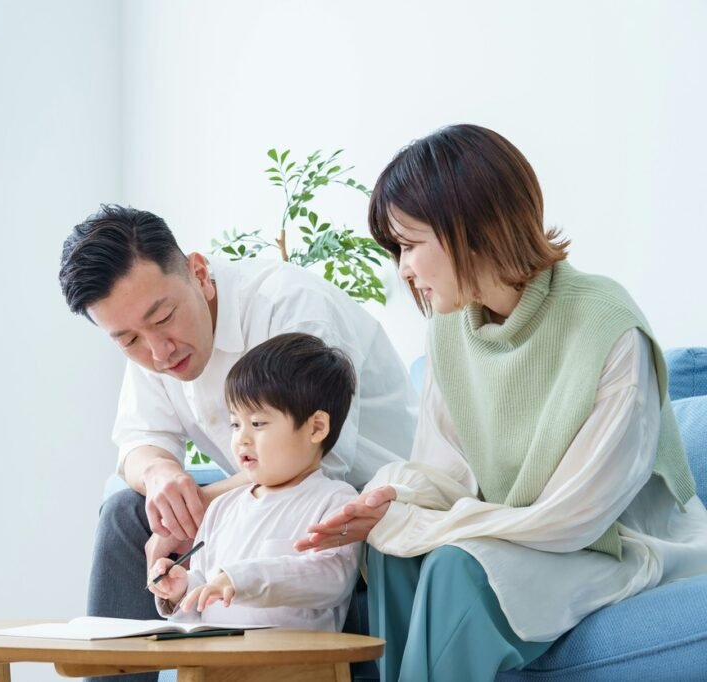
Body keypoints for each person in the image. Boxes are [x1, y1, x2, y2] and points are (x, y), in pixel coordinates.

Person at [296, 124, 707, 681]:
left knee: (453, 567)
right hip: (524, 536)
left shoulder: (606, 324)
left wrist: (429, 527)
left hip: (611, 545)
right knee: (391, 549)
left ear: (473, 227)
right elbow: (445, 470)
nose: (404, 270)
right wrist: (393, 502)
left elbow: (578, 516)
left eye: (411, 245)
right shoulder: (449, 330)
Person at [59, 204, 416, 682]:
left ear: (200, 274)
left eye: (163, 318)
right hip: (257, 486)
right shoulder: (151, 339)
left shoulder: (289, 308)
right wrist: (163, 478)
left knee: (200, 518)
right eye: (128, 341)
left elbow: (317, 461)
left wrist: (199, 505)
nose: (158, 352)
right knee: (129, 511)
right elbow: (138, 439)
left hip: (350, 488)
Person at [149, 333, 362, 630]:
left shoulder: (336, 501)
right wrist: (182, 588)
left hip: (294, 666)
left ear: (316, 428)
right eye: (236, 424)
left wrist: (240, 579)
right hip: (217, 661)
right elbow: (207, 584)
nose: (241, 438)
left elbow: (330, 578)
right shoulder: (222, 507)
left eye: (258, 423)